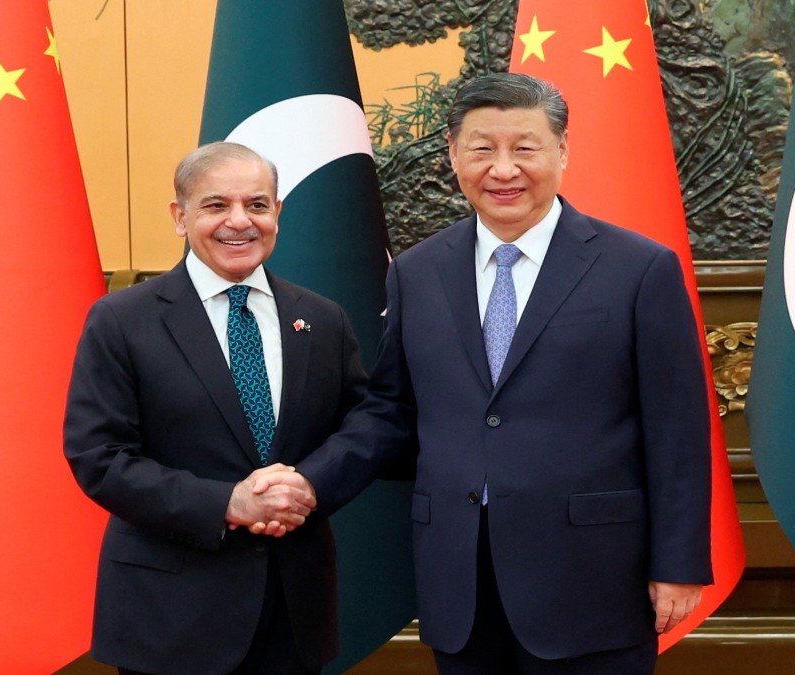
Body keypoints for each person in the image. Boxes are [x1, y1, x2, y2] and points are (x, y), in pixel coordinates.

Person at [255, 73, 714, 673]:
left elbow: (676, 429)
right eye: (482, 149)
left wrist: (676, 563)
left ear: (563, 151)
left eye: (524, 148)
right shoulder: (418, 273)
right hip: (461, 579)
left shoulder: (638, 269)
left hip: (592, 578)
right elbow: (393, 411)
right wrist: (310, 483)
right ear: (452, 154)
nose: (503, 169)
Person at [63, 141, 361, 675]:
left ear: (278, 213)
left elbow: (361, 430)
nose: (239, 222)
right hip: (170, 617)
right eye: (216, 205)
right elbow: (99, 458)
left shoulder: (322, 319)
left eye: (257, 205)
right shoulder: (122, 320)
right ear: (180, 217)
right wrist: (230, 503)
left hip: (293, 614)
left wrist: (306, 487)